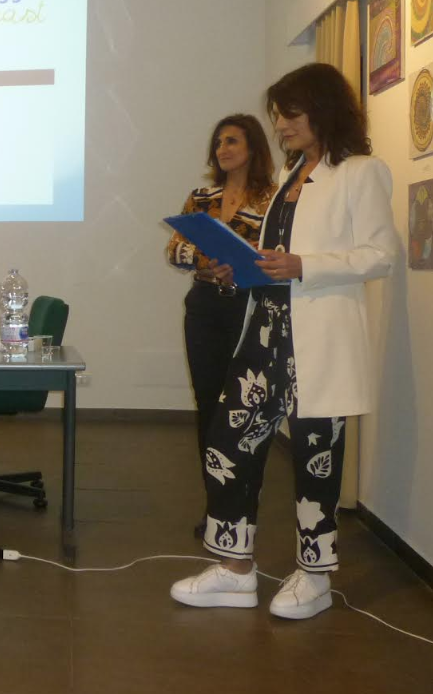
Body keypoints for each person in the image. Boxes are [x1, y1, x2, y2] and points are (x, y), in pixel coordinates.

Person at [170, 63, 402, 620]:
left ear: (324, 110)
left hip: (319, 338)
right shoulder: (290, 174)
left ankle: (315, 575)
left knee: (316, 457)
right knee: (228, 441)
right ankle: (234, 569)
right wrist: (244, 266)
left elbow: (381, 255)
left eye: (290, 114)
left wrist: (304, 266)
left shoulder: (361, 171)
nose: (280, 125)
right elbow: (276, 256)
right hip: (265, 330)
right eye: (277, 115)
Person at [167, 114, 277, 538]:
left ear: (253, 147)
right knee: (210, 406)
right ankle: (216, 506)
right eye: (218, 143)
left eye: (232, 141)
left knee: (244, 409)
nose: (222, 149)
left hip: (249, 309)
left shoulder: (272, 198)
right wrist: (207, 261)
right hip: (205, 307)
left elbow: (278, 253)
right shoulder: (202, 197)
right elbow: (174, 249)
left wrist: (243, 261)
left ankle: (243, 503)